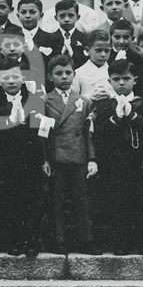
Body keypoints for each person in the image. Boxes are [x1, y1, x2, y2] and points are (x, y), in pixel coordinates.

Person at [92, 59, 143, 256]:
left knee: (142, 200)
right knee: (119, 202)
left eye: (126, 79)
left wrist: (132, 117)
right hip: (115, 162)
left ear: (135, 80)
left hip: (140, 161)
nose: (121, 83)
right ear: (110, 81)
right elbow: (100, 132)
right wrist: (116, 118)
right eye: (117, 79)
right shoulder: (104, 105)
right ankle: (121, 242)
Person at [0, 61, 48, 257]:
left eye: (15, 76)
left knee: (30, 200)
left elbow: (41, 133)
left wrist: (43, 159)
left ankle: (31, 241)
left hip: (29, 160)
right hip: (4, 160)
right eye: (6, 78)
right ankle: (13, 241)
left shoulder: (34, 100)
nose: (11, 81)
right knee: (8, 201)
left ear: (23, 78)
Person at [42, 54, 100, 255]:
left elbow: (87, 133)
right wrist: (45, 159)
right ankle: (59, 240)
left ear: (74, 75)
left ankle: (86, 240)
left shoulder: (83, 101)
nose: (64, 77)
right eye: (59, 73)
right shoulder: (45, 100)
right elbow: (43, 134)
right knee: (56, 201)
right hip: (56, 156)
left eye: (68, 73)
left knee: (82, 199)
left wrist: (92, 159)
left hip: (78, 156)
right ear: (50, 77)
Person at [44, 0, 89, 70]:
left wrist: (72, 55)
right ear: (56, 18)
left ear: (78, 17)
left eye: (71, 15)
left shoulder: (85, 38)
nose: (66, 19)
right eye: (62, 16)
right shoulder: (49, 39)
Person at [74, 29, 116, 101]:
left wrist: (110, 96)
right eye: (98, 50)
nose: (103, 54)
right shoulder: (78, 73)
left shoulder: (115, 72)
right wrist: (90, 97)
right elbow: (73, 100)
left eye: (107, 51)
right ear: (87, 50)